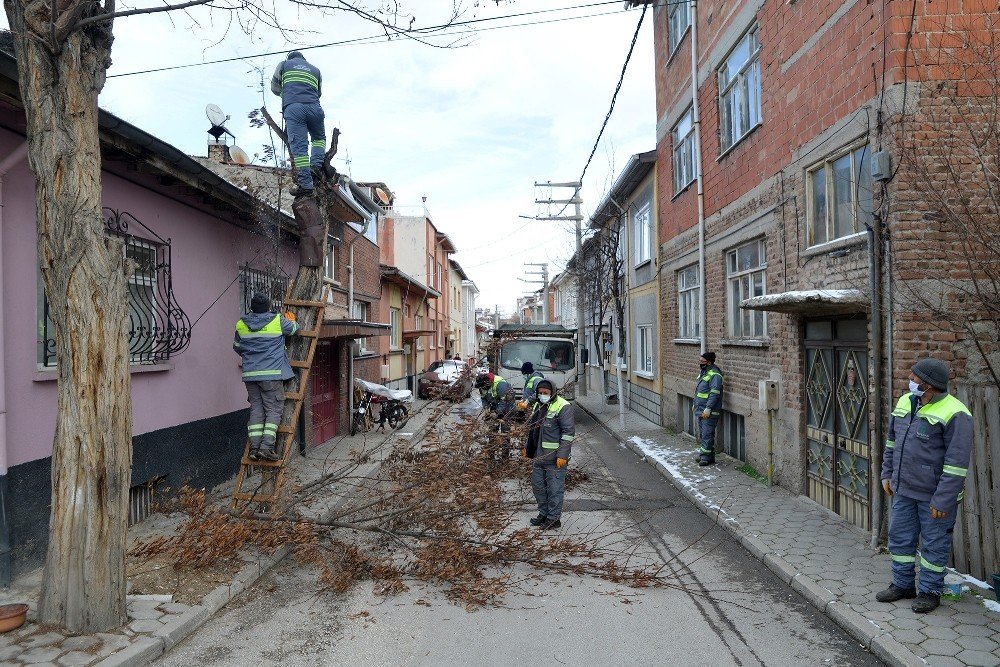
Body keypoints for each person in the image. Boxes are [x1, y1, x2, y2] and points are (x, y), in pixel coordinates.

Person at [876, 358, 973, 613]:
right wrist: (887, 474)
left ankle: (929, 592)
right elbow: (891, 442)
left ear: (929, 385)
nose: (910, 380)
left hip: (934, 497)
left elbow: (956, 464)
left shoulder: (956, 413)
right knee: (899, 539)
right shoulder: (905, 402)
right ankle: (902, 585)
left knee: (933, 544)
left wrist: (943, 500)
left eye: (915, 377)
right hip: (903, 489)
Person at [234, 293, 300, 461]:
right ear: (269, 307)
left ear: (251, 307)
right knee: (274, 409)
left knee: (256, 408)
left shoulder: (241, 324)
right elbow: (294, 329)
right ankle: (267, 447)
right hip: (271, 374)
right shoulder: (277, 320)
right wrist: (291, 319)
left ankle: (255, 449)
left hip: (250, 375)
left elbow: (237, 347)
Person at [270, 51, 325, 197]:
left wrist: (287, 93)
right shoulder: (316, 70)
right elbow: (318, 93)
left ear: (290, 57)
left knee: (300, 148)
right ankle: (316, 168)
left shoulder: (284, 65)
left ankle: (306, 185)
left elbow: (275, 88)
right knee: (319, 140)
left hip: (294, 108)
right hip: (315, 108)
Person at [522, 380, 575, 530]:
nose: (543, 395)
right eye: (540, 393)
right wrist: (528, 448)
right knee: (538, 487)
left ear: (552, 392)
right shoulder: (540, 405)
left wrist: (562, 455)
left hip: (554, 459)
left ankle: (553, 519)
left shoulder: (563, 406)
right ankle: (543, 514)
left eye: (546, 393)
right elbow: (534, 431)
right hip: (539, 457)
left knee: (554, 489)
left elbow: (568, 433)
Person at [694, 352, 724, 466]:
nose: (700, 363)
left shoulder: (715, 375)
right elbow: (699, 391)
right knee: (704, 434)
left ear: (709, 362)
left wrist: (708, 408)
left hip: (709, 411)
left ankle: (705, 457)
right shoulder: (704, 373)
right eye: (700, 361)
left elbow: (714, 394)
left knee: (707, 434)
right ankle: (708, 456)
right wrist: (694, 403)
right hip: (701, 409)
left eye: (702, 362)